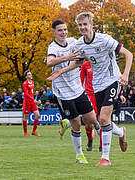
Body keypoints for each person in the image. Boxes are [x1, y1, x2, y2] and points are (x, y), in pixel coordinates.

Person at [49, 13, 132, 166]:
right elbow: (78, 63)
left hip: (113, 79)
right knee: (102, 120)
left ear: (91, 24)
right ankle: (120, 132)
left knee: (102, 119)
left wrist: (125, 74)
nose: (82, 28)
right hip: (98, 85)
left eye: (85, 24)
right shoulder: (80, 44)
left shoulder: (104, 39)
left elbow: (128, 53)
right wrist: (60, 71)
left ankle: (105, 158)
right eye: (80, 25)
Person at [46, 19, 99, 164]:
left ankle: (66, 123)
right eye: (60, 30)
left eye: (65, 29)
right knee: (76, 122)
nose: (63, 32)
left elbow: (80, 60)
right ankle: (79, 155)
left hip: (78, 89)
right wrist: (67, 57)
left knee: (93, 120)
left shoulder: (73, 42)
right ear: (54, 32)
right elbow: (49, 62)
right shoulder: (53, 48)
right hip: (63, 93)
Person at [22, 70, 40, 136]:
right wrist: (33, 99)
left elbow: (31, 93)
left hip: (32, 102)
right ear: (26, 76)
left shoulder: (32, 82)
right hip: (27, 102)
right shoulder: (25, 83)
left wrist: (36, 100)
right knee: (26, 117)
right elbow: (26, 94)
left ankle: (34, 131)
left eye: (31, 74)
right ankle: (25, 132)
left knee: (37, 115)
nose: (31, 75)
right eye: (29, 74)